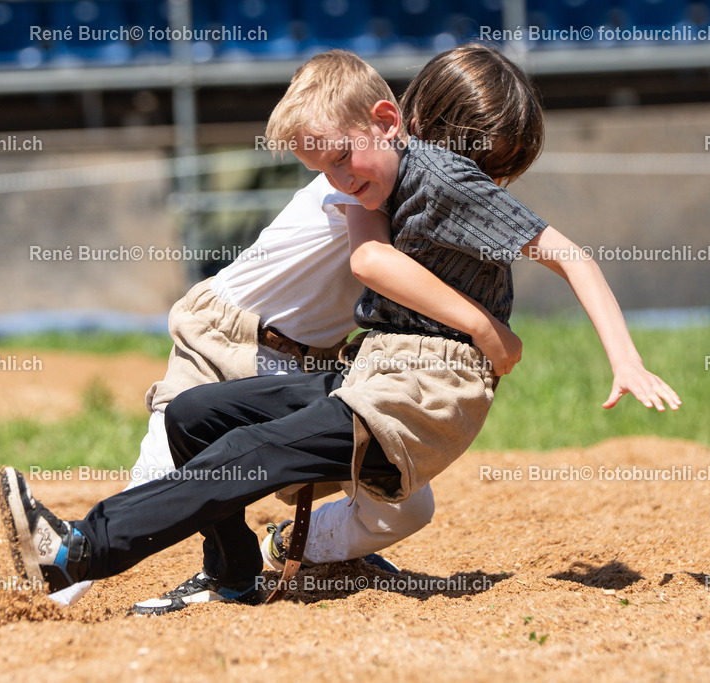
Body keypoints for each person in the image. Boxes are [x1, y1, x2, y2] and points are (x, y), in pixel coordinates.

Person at [0, 45, 680, 616]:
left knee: (255, 451)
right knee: (196, 417)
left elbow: (563, 254)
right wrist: (484, 322)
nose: (339, 178)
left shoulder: (441, 177)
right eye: (325, 166)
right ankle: (233, 571)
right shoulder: (371, 182)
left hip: (414, 388)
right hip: (327, 360)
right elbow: (370, 253)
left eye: (344, 160)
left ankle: (76, 551)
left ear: (398, 120)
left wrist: (624, 360)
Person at [48, 57, 525, 609]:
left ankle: (295, 549)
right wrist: (483, 326)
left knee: (407, 506)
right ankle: (64, 580)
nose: (481, 182)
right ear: (410, 125)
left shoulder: (403, 180)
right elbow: (373, 261)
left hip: (312, 362)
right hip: (232, 333)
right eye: (477, 160)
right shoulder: (360, 180)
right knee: (163, 465)